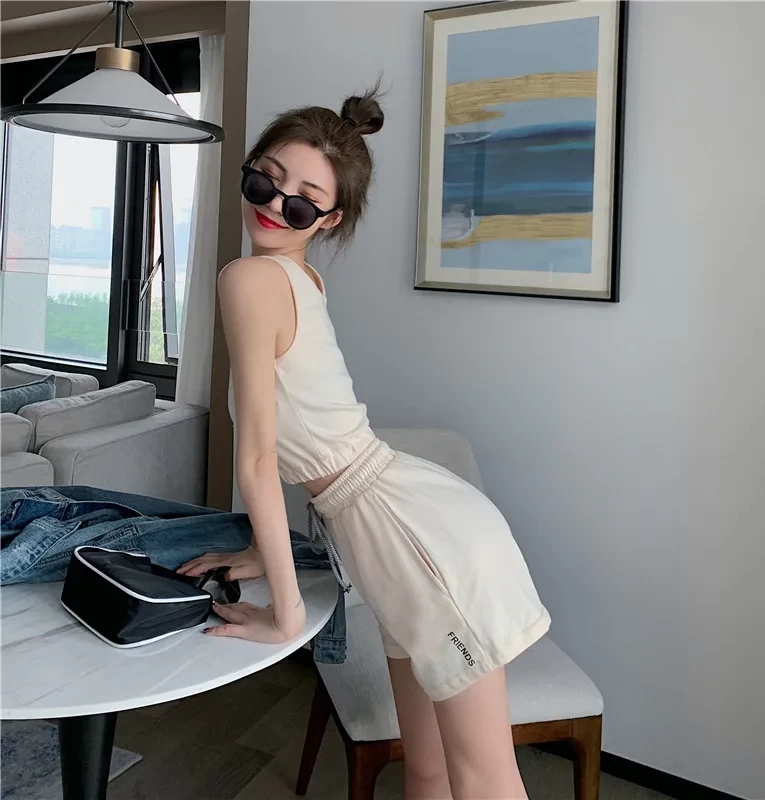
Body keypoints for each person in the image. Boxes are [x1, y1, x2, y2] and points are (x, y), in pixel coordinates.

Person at [178, 86, 551, 799]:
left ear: (330, 218)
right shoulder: (299, 277)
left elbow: (258, 457)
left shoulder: (252, 278)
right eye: (265, 180)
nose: (275, 205)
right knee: (430, 768)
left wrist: (286, 616)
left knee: (484, 779)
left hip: (416, 542)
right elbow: (305, 433)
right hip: (392, 534)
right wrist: (262, 551)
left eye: (303, 202)